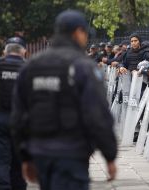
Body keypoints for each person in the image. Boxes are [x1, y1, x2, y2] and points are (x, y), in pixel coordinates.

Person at [11, 10, 117, 190]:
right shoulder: (83, 66)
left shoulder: (31, 66)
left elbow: (18, 116)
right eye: (85, 34)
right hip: (72, 155)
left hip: (40, 153)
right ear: (78, 32)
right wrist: (109, 155)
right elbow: (97, 114)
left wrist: (25, 157)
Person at [0, 37, 27, 190]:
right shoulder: (30, 68)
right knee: (20, 161)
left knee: (1, 161)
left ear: (4, 51)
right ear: (24, 51)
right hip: (22, 122)